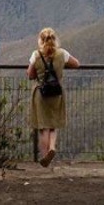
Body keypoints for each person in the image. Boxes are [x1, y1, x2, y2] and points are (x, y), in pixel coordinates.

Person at [27, 27, 80, 167]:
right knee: (54, 124)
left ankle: (45, 156)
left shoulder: (36, 55)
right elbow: (76, 64)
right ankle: (52, 147)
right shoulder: (62, 54)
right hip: (57, 92)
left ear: (40, 40)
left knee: (43, 126)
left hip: (41, 93)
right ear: (55, 39)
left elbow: (30, 74)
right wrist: (61, 66)